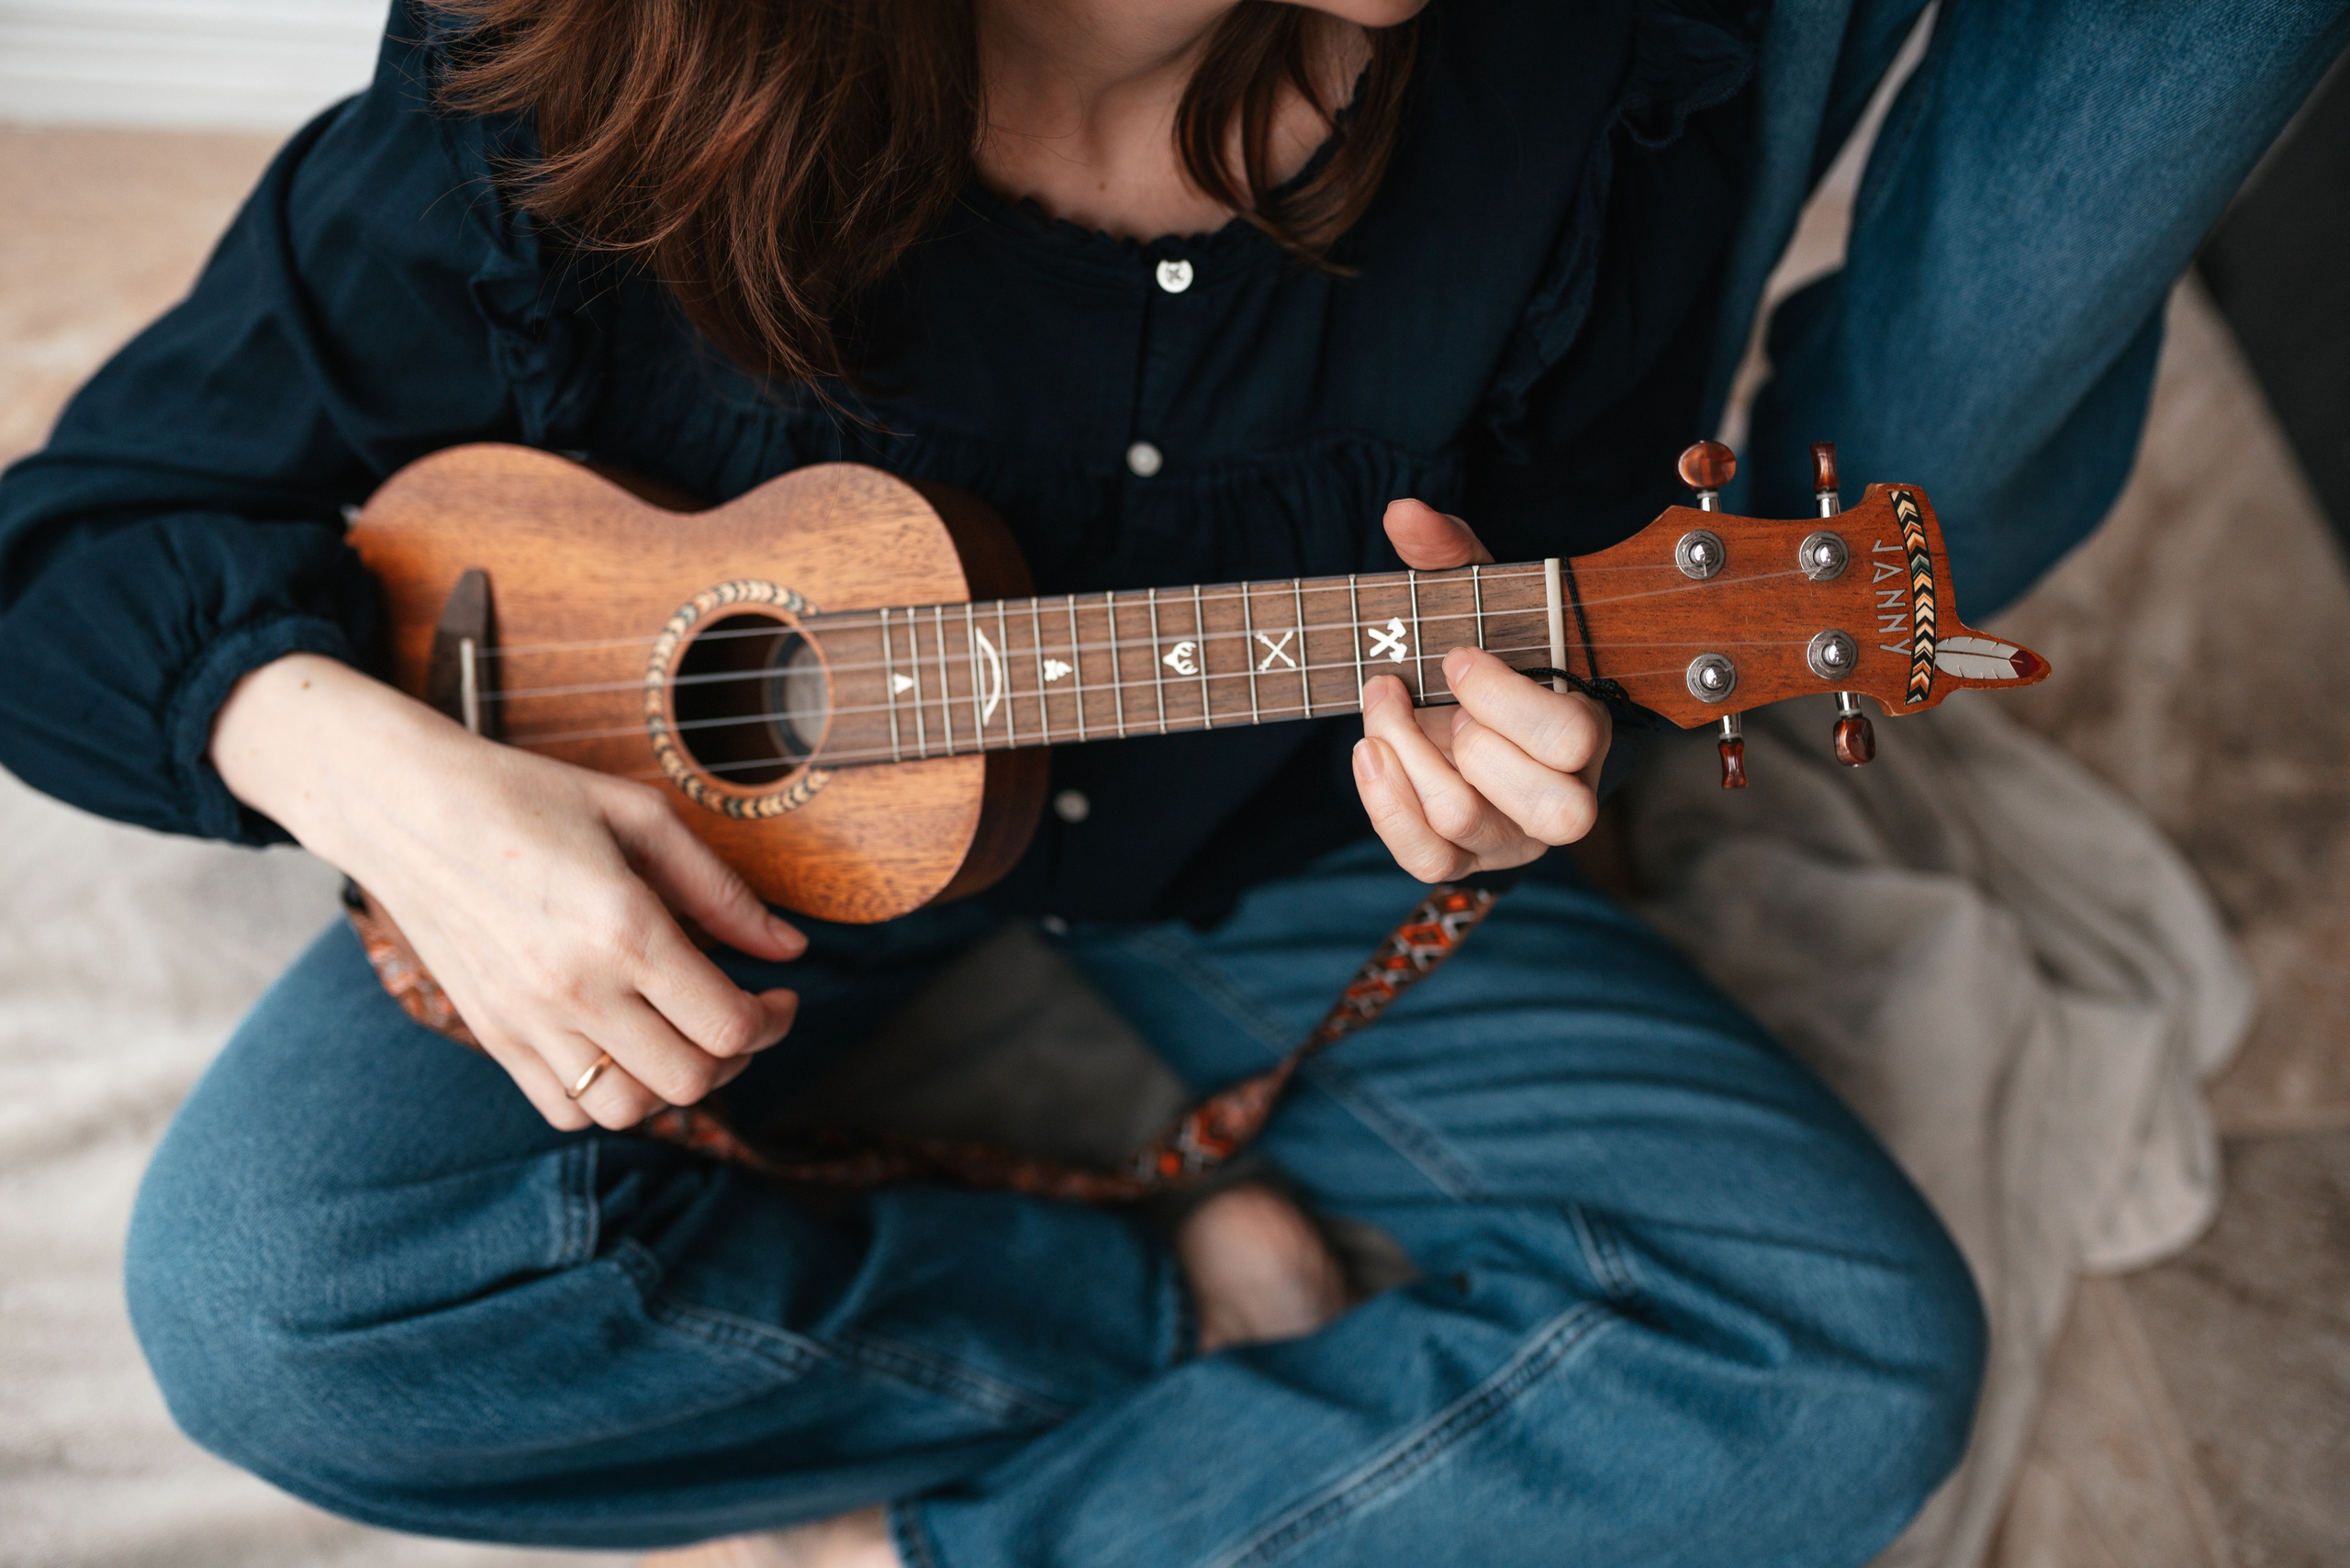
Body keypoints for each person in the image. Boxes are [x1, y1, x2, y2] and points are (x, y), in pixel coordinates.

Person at [0, 1, 1986, 1563]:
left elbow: (1573, 569)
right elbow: (68, 557)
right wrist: (403, 787)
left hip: (1284, 844)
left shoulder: (1579, 81)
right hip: (703, 840)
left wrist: (1513, 763)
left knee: (1836, 1353)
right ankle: (1156, 1301)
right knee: (274, 1299)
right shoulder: (592, 60)